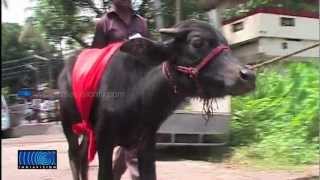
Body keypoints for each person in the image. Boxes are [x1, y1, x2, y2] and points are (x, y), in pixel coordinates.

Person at [91, 0, 150, 180]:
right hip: (113, 94)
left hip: (136, 91)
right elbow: (96, 58)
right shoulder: (104, 23)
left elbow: (148, 54)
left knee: (135, 144)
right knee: (121, 143)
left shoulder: (141, 22)